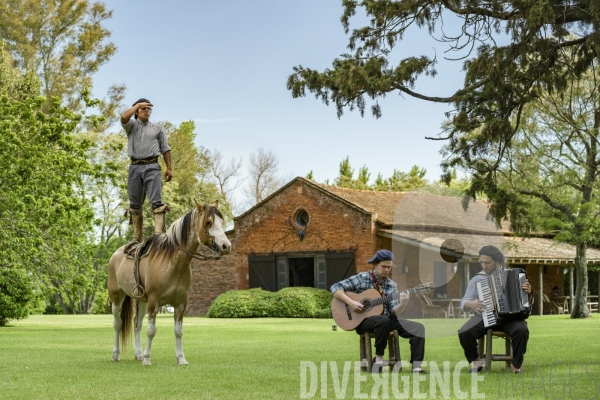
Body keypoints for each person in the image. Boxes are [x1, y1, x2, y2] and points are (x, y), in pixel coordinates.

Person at [330, 249, 426, 373]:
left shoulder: (391, 285)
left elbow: (392, 311)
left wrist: (403, 303)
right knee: (383, 320)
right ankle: (379, 358)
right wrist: (351, 303)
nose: (386, 270)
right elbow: (335, 287)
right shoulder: (362, 278)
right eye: (384, 266)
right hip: (363, 321)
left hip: (386, 319)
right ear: (375, 264)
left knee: (418, 328)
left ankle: (416, 366)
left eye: (389, 267)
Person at [458, 245, 533, 373]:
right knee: (464, 332)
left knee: (522, 330)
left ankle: (516, 364)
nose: (483, 265)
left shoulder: (514, 276)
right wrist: (470, 304)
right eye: (481, 262)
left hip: (510, 319)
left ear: (497, 261)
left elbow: (526, 303)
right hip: (485, 316)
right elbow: (464, 301)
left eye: (487, 263)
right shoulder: (477, 279)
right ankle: (477, 362)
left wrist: (529, 292)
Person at [121, 98, 172, 245]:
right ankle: (137, 237)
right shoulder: (131, 126)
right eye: (144, 108)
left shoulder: (158, 129)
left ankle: (158, 235)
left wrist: (169, 168)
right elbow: (124, 117)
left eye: (149, 109)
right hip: (135, 167)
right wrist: (138, 105)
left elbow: (166, 149)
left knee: (157, 201)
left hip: (152, 166)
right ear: (137, 111)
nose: (147, 111)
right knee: (135, 203)